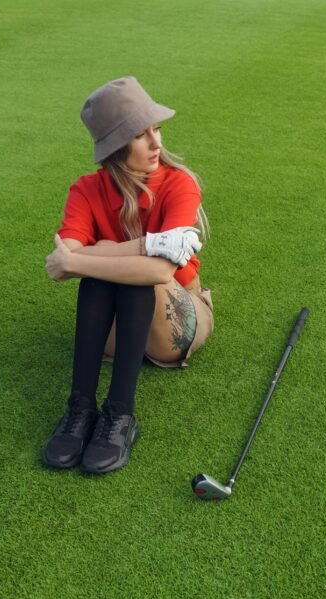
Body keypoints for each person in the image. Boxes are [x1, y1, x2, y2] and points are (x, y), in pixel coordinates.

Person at [41, 77, 214, 474]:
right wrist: (143, 246)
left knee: (129, 275)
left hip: (179, 319)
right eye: (140, 135)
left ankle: (120, 415)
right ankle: (80, 409)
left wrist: (87, 257)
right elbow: (68, 256)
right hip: (119, 334)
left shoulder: (179, 183)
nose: (156, 144)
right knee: (104, 276)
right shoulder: (86, 190)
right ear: (115, 148)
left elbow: (159, 269)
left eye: (156, 130)